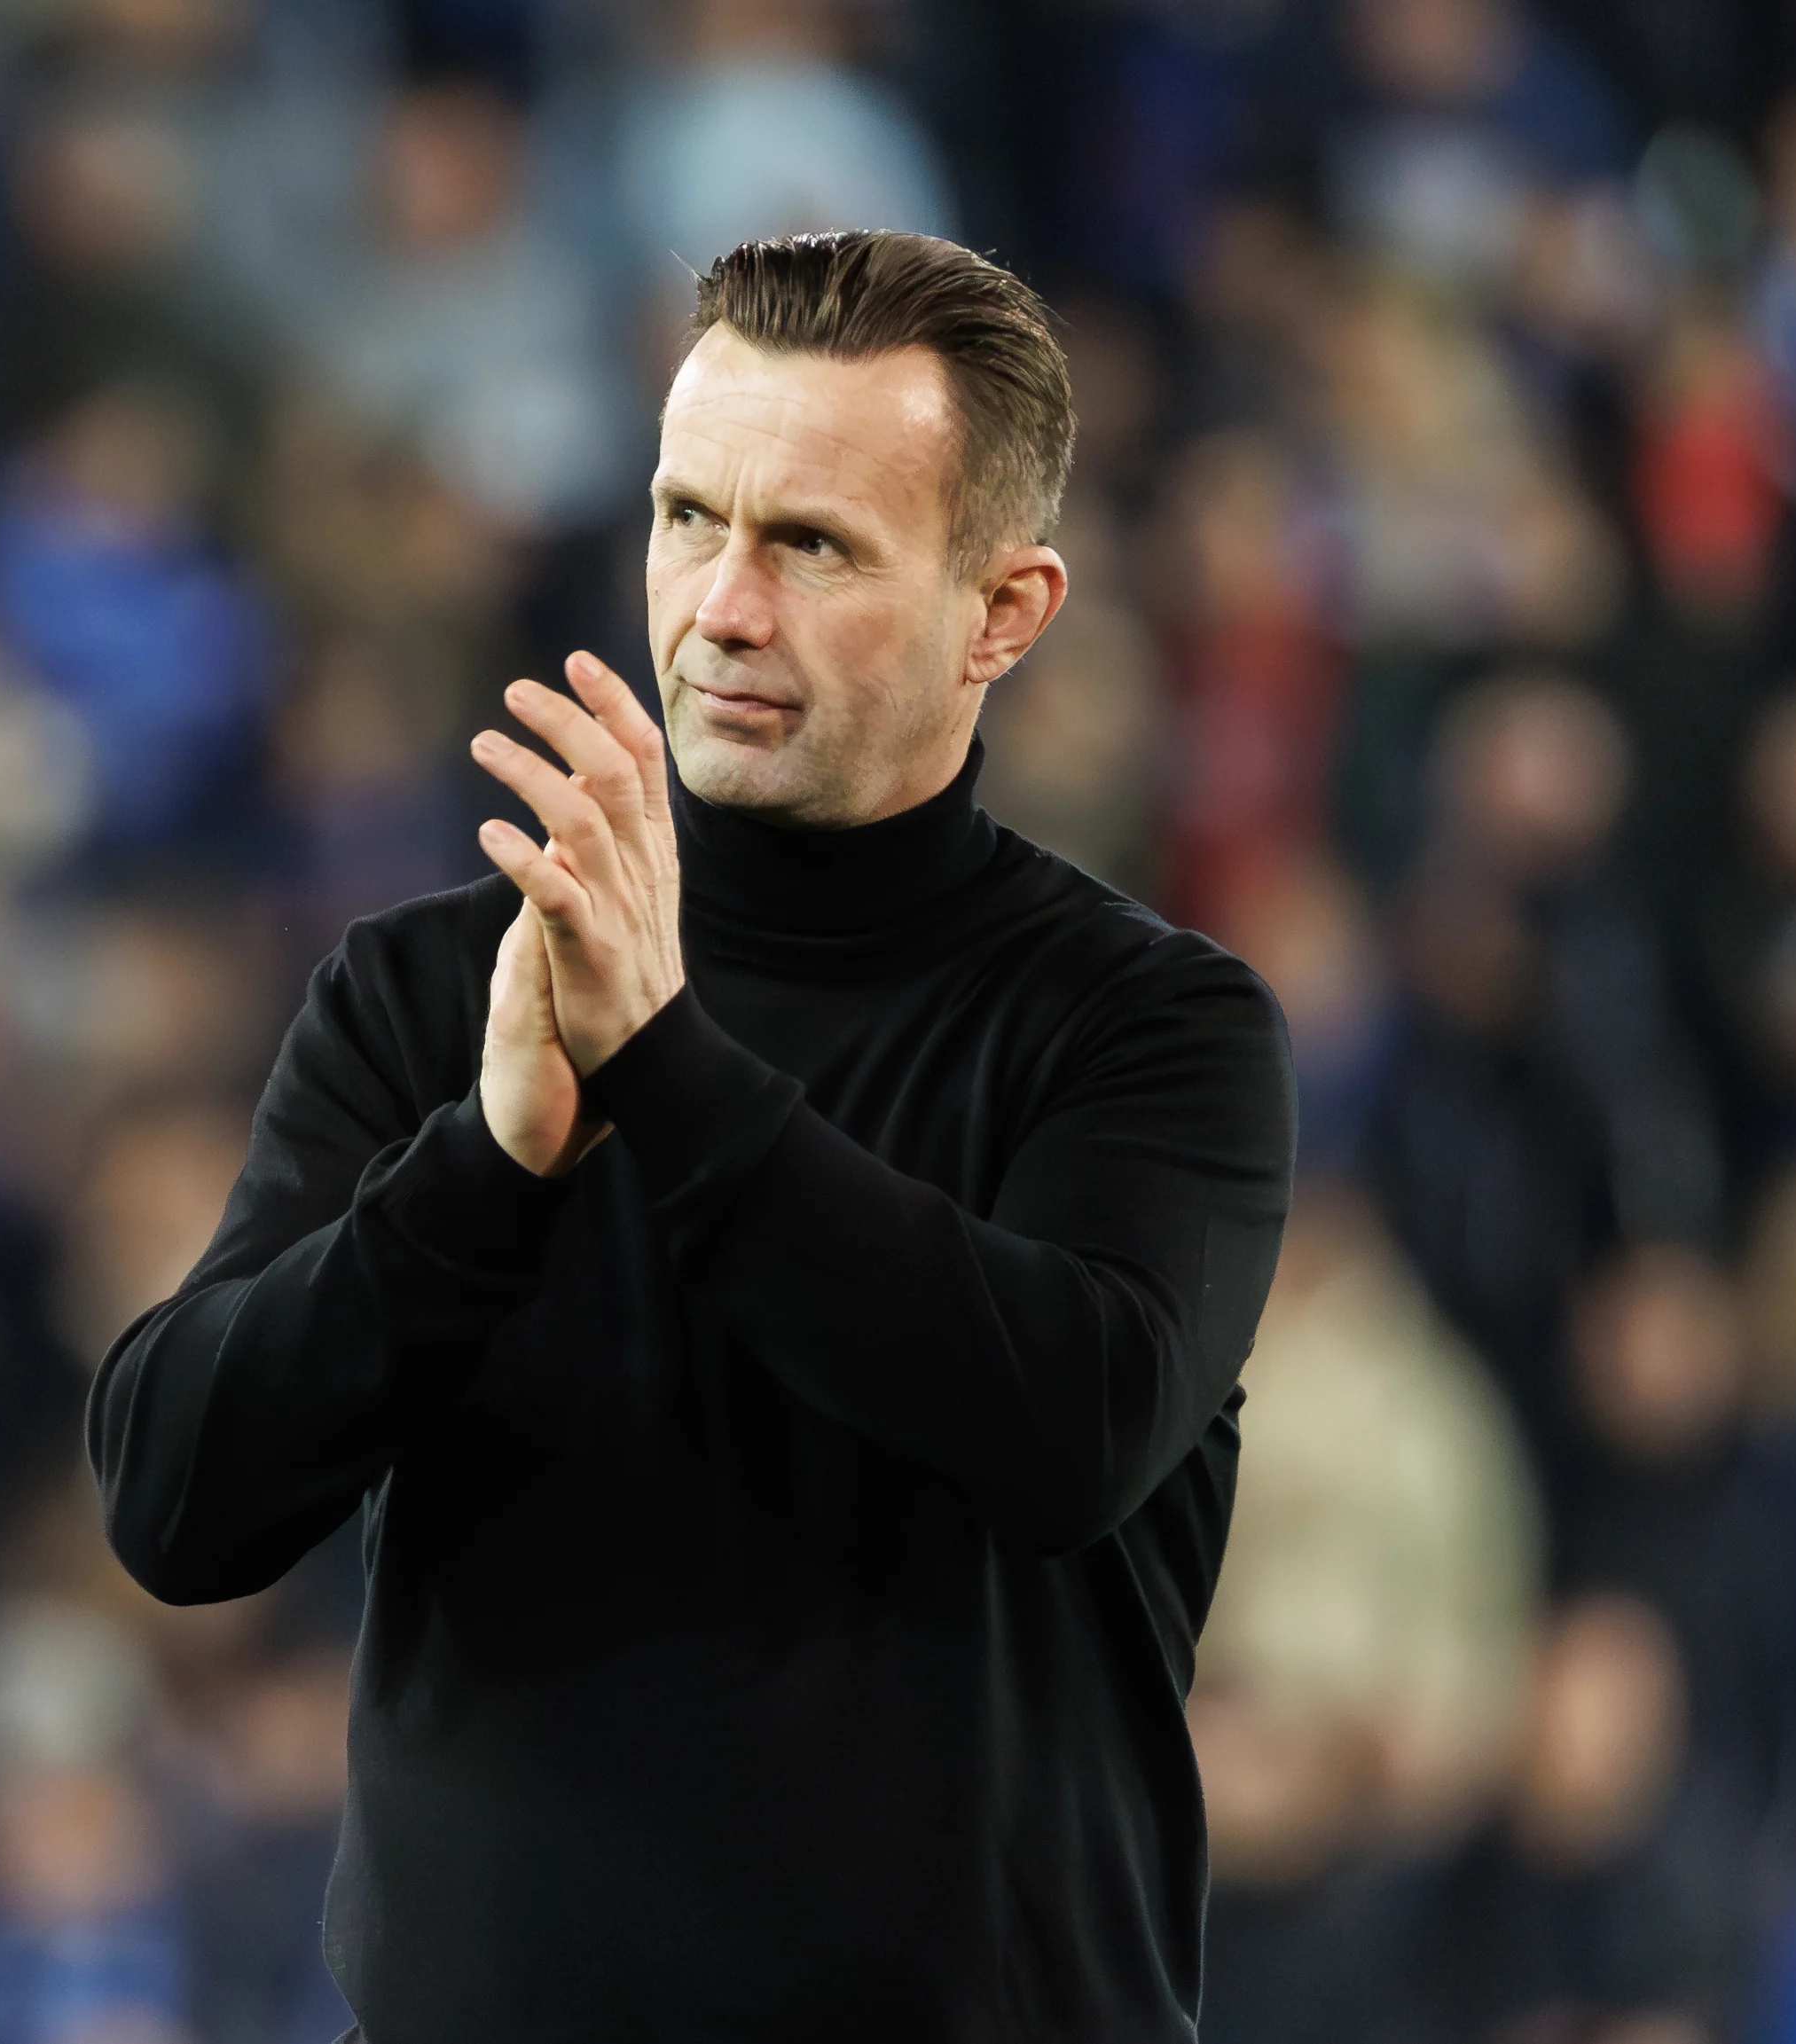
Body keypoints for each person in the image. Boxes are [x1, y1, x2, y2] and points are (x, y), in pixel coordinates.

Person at [87, 230, 1298, 2040]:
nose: (720, 605)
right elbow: (176, 1500)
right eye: (686, 517)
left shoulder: (1145, 1030)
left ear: (1005, 612)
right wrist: (480, 1176)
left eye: (811, 544)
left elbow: (1065, 1426)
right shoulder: (436, 999)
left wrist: (665, 1066)